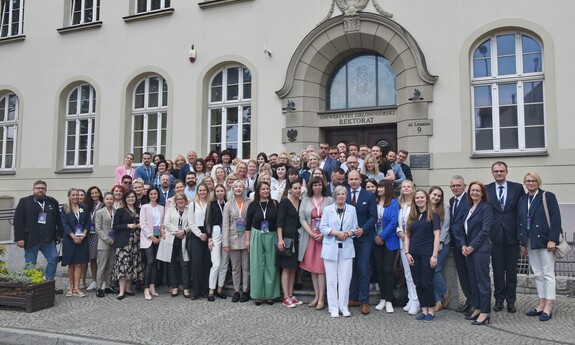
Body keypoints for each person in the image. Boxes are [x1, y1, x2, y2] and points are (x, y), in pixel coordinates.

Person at [518, 172, 561, 322]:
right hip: (530, 241)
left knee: (548, 273)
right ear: (524, 183)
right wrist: (522, 243)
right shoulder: (523, 199)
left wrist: (552, 239)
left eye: (533, 180)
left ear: (538, 181)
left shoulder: (547, 196)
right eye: (528, 181)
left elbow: (556, 219)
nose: (530, 183)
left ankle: (548, 306)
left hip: (544, 240)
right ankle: (541, 304)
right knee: (537, 273)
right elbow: (521, 222)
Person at [13, 180, 64, 294]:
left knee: (54, 259)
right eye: (38, 188)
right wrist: (19, 238)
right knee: (30, 263)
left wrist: (60, 234)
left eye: (43, 188)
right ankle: (29, 287)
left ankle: (49, 283)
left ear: (46, 190)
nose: (40, 190)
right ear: (33, 189)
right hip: (31, 239)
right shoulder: (24, 201)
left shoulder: (52, 202)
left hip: (48, 239)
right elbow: (18, 221)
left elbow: (58, 220)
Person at [487, 161, 524, 313]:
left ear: (507, 172)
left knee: (511, 272)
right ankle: (499, 300)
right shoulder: (486, 189)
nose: (499, 173)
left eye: (501, 171)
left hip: (512, 237)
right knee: (497, 271)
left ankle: (511, 301)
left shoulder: (517, 188)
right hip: (494, 237)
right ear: (492, 172)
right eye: (496, 171)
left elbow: (522, 211)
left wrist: (522, 236)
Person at [457, 181, 493, 325]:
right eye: (472, 190)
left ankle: (485, 312)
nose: (475, 193)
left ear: (483, 193)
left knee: (482, 282)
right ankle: (477, 308)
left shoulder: (486, 208)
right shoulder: (468, 208)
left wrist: (472, 246)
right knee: (473, 281)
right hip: (469, 250)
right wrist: (463, 245)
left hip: (480, 250)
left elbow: (485, 231)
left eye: (478, 191)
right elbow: (462, 229)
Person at [320, 185, 358, 318]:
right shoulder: (328, 210)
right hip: (331, 247)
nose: (341, 196)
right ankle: (333, 307)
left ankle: (343, 306)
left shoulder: (352, 209)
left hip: (346, 247)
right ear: (335, 196)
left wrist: (348, 233)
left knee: (345, 279)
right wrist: (336, 233)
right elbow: (322, 227)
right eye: (338, 194)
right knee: (331, 280)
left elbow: (355, 227)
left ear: (346, 196)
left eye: (343, 194)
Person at [404, 189, 441, 321]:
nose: (419, 200)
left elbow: (437, 236)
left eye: (422, 197)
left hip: (427, 254)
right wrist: (407, 253)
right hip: (414, 254)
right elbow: (407, 236)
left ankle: (431, 311)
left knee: (427, 283)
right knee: (418, 283)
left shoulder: (433, 215)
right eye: (417, 198)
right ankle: (423, 310)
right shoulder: (412, 216)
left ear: (426, 199)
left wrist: (434, 255)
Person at [299, 176, 333, 310]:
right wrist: (311, 233)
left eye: (319, 185)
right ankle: (316, 296)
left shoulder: (329, 200)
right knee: (313, 268)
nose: (317, 187)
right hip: (310, 236)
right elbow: (302, 218)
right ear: (311, 187)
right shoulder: (306, 200)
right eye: (314, 185)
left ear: (323, 186)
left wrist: (323, 234)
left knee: (321, 269)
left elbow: (332, 218)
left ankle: (322, 299)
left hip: (324, 237)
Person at [346, 170, 377, 315]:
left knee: (364, 268)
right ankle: (353, 298)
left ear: (360, 180)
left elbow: (373, 217)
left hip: (364, 238)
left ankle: (364, 301)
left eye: (355, 179)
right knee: (351, 268)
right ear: (347, 180)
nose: (353, 181)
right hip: (348, 238)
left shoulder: (369, 195)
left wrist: (363, 230)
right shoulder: (343, 194)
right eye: (350, 179)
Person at [245, 180, 280, 305]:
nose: (266, 191)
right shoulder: (253, 205)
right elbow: (248, 224)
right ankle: (257, 295)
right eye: (263, 189)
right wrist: (247, 240)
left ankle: (270, 294)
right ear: (258, 191)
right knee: (257, 265)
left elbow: (279, 222)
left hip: (271, 235)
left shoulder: (275, 203)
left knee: (271, 264)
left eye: (267, 189)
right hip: (257, 234)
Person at [222, 180, 252, 303]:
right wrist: (225, 242)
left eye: (241, 187)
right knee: (235, 267)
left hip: (246, 238)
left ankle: (245, 290)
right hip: (233, 238)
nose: (239, 188)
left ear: (244, 189)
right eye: (236, 187)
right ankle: (236, 291)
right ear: (232, 189)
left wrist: (249, 239)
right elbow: (225, 224)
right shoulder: (228, 204)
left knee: (246, 266)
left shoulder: (249, 202)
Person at [373, 179, 399, 313]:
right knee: (379, 270)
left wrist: (382, 236)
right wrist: (375, 236)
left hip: (389, 241)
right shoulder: (375, 202)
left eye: (381, 187)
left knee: (388, 270)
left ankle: (389, 300)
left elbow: (394, 222)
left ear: (388, 189)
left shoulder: (394, 203)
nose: (379, 190)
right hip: (376, 240)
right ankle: (382, 298)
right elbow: (372, 220)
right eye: (378, 187)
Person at [112, 190, 143, 300]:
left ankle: (129, 288)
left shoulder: (139, 210)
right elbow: (115, 226)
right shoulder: (120, 211)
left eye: (133, 197)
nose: (131, 199)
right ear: (125, 199)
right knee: (123, 266)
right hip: (124, 243)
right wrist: (127, 225)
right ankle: (121, 291)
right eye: (129, 197)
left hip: (136, 242)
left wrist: (140, 225)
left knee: (132, 265)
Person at [448, 175, 473, 315]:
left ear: (465, 186)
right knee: (463, 275)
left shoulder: (469, 200)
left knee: (471, 274)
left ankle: (475, 303)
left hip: (467, 243)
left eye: (458, 185)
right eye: (453, 186)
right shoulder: (452, 201)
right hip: (456, 244)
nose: (455, 188)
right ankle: (469, 300)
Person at [158, 193, 191, 298]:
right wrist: (177, 231)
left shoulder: (189, 209)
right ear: (175, 201)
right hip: (172, 239)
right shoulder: (170, 210)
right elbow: (166, 223)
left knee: (184, 264)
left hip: (184, 239)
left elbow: (192, 223)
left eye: (182, 199)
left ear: (185, 200)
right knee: (172, 264)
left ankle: (186, 288)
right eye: (178, 199)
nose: (180, 201)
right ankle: (175, 286)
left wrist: (184, 231)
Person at [277, 180, 303, 308]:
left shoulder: (302, 202)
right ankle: (286, 296)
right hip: (286, 238)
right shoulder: (285, 202)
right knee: (286, 267)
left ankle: (291, 294)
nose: (297, 190)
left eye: (299, 188)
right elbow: (279, 221)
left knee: (293, 267)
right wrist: (280, 239)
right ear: (290, 190)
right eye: (295, 188)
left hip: (298, 238)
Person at [61, 188, 91, 297]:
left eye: (77, 195)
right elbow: (64, 224)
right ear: (69, 196)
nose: (75, 197)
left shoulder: (84, 208)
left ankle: (77, 288)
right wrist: (73, 236)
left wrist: (83, 235)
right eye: (73, 195)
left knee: (78, 263)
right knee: (71, 264)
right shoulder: (65, 209)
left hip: (82, 239)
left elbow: (88, 222)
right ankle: (71, 287)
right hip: (70, 239)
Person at [396, 180, 420, 315]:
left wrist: (408, 235)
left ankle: (417, 301)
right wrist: (399, 231)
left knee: (413, 272)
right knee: (407, 273)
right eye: (403, 186)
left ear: (413, 189)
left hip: (413, 242)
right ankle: (411, 299)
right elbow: (399, 223)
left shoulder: (416, 204)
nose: (406, 188)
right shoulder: (401, 205)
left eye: (408, 186)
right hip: (402, 241)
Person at [428, 186, 451, 312]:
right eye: (434, 194)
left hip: (443, 243)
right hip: (428, 244)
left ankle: (444, 291)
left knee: (435, 269)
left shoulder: (445, 207)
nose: (436, 197)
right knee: (430, 271)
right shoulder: (424, 207)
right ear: (429, 194)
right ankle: (437, 302)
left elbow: (446, 227)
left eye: (439, 196)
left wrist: (440, 243)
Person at [188, 183, 212, 299]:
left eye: (204, 190)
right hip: (196, 234)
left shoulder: (210, 204)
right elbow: (191, 222)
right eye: (200, 190)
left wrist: (208, 235)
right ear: (197, 192)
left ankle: (205, 289)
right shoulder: (192, 204)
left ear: (207, 191)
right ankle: (196, 290)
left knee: (207, 263)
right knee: (197, 263)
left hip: (208, 233)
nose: (202, 192)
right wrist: (199, 234)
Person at [139, 187, 164, 300]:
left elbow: (163, 223)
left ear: (158, 195)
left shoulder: (162, 208)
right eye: (151, 194)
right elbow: (142, 224)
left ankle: (152, 286)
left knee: (155, 263)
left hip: (159, 238)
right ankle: (146, 288)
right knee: (149, 261)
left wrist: (160, 236)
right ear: (148, 195)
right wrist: (151, 236)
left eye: (155, 194)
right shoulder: (144, 207)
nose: (153, 196)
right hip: (148, 238)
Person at [206, 184, 229, 301]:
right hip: (215, 232)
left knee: (224, 263)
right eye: (218, 191)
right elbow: (207, 221)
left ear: (225, 192)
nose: (220, 193)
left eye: (222, 191)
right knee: (216, 263)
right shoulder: (212, 204)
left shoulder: (228, 204)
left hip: (226, 233)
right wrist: (209, 238)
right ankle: (211, 290)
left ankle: (219, 289)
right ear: (215, 193)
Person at [94, 192, 116, 297]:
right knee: (102, 267)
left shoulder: (116, 211)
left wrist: (115, 240)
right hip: (104, 242)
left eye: (111, 199)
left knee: (111, 266)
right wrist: (107, 240)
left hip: (114, 242)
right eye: (107, 199)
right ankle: (99, 287)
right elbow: (98, 228)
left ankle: (108, 286)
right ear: (104, 200)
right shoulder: (100, 212)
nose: (109, 201)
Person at [82, 186, 103, 292]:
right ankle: (94, 280)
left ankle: (103, 281)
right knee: (93, 258)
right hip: (90, 235)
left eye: (96, 193)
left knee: (103, 258)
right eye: (92, 193)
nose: (94, 195)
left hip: (102, 233)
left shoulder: (103, 205)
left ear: (99, 193)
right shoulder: (87, 206)